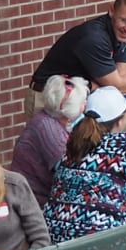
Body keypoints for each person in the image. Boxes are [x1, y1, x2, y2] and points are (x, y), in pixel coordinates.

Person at [42, 87, 126, 242]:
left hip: (56, 241)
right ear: (120, 121)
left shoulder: (76, 143)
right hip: (103, 243)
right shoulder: (125, 145)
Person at [29, 0, 126, 97]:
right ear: (111, 11)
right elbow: (118, 85)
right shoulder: (94, 37)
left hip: (79, 95)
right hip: (49, 97)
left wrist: (107, 84)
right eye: (124, 20)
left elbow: (121, 78)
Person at [13, 75, 89, 204]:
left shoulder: (47, 120)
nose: (86, 105)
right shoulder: (49, 131)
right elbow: (70, 174)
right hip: (36, 203)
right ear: (69, 110)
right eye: (82, 102)